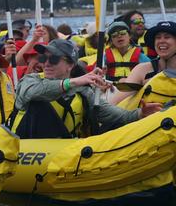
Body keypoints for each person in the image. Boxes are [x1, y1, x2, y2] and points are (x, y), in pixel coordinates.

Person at [10, 40, 158, 138]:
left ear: (70, 65)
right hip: (26, 152)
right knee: (39, 103)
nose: (46, 64)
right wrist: (74, 81)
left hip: (61, 154)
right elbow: (34, 92)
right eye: (43, 58)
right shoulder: (30, 81)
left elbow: (113, 115)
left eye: (53, 59)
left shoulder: (84, 93)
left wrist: (139, 113)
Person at [111, 21, 176, 108]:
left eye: (167, 37)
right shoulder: (142, 70)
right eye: (158, 38)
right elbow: (114, 104)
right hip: (147, 119)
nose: (161, 41)